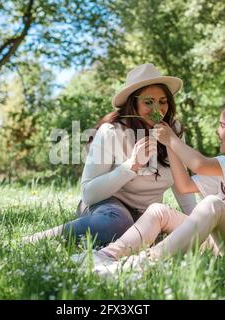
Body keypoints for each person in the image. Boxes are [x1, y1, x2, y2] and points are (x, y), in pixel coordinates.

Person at [83, 98, 225, 274]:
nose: (217, 131)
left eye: (222, 125)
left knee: (213, 204)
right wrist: (168, 144)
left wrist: (173, 139)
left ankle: (143, 263)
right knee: (158, 211)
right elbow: (184, 185)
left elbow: (199, 164)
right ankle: (106, 255)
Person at [23, 63, 196, 247]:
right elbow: (89, 194)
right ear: (133, 104)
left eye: (163, 101)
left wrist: (196, 222)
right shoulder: (112, 131)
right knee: (118, 223)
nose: (157, 110)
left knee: (171, 233)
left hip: (147, 214)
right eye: (148, 102)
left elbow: (181, 183)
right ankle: (41, 239)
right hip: (108, 208)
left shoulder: (174, 131)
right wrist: (131, 166)